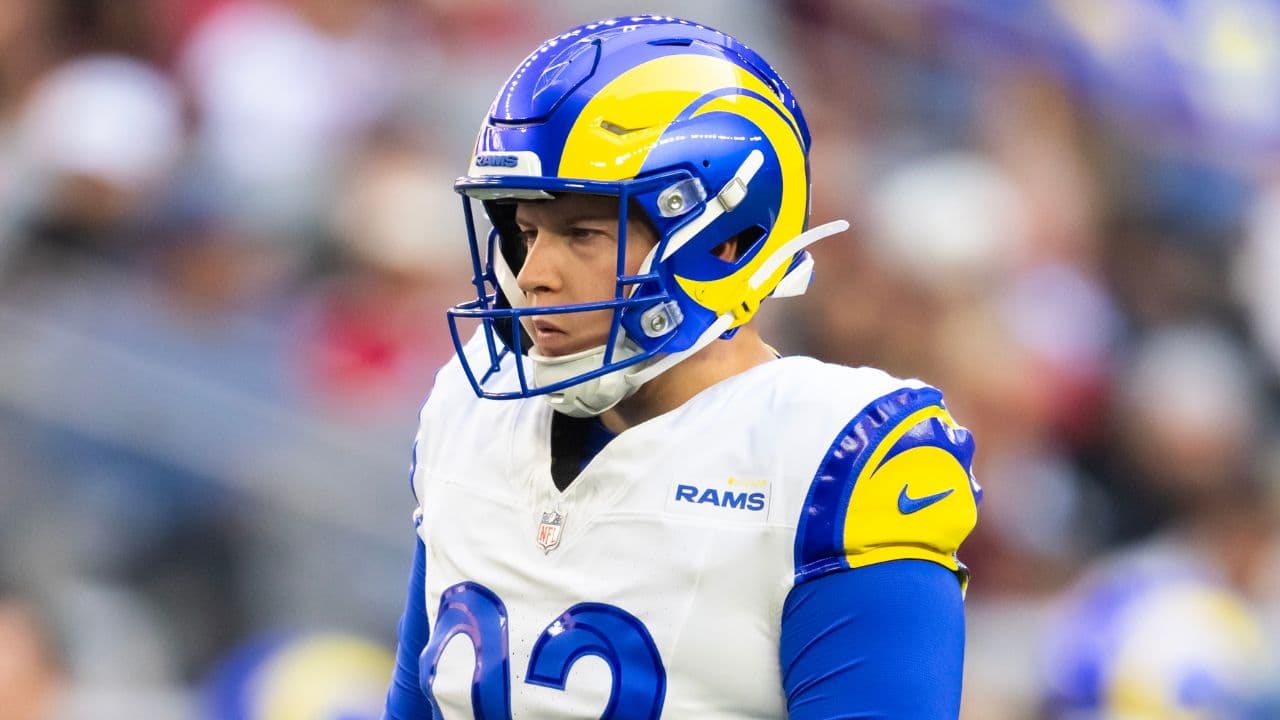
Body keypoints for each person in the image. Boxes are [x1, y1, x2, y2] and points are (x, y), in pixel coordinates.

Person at [383, 15, 980, 719]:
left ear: (726, 241)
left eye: (583, 233)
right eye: (526, 232)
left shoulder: (830, 459)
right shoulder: (469, 412)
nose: (535, 273)